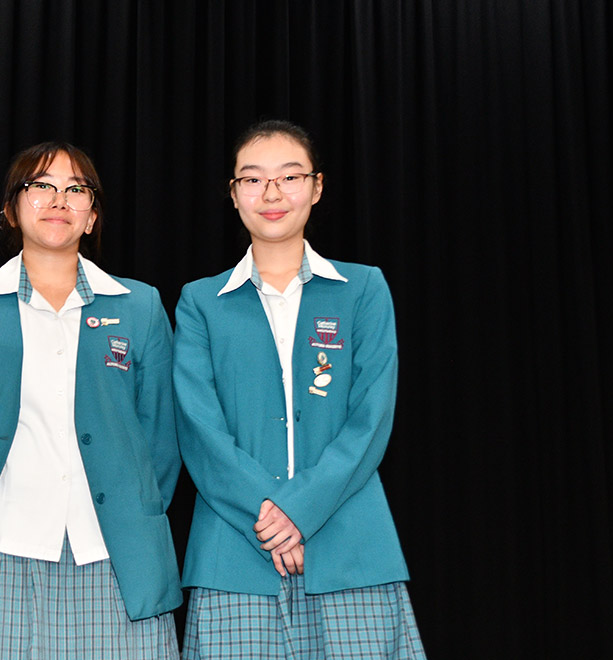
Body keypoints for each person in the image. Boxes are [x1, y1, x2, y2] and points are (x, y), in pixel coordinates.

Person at [0, 142, 181, 659]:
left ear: (93, 216)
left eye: (76, 189)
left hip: (111, 555)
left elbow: (160, 442)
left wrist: (129, 508)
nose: (59, 200)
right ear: (12, 209)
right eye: (41, 186)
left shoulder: (140, 307)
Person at [173, 119, 426, 658]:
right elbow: (199, 430)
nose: (272, 193)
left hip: (352, 549)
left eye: (289, 177)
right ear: (234, 195)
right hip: (234, 556)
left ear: (316, 187)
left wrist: (301, 511)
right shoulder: (200, 301)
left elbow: (371, 418)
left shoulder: (362, 289)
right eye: (252, 179)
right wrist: (270, 518)